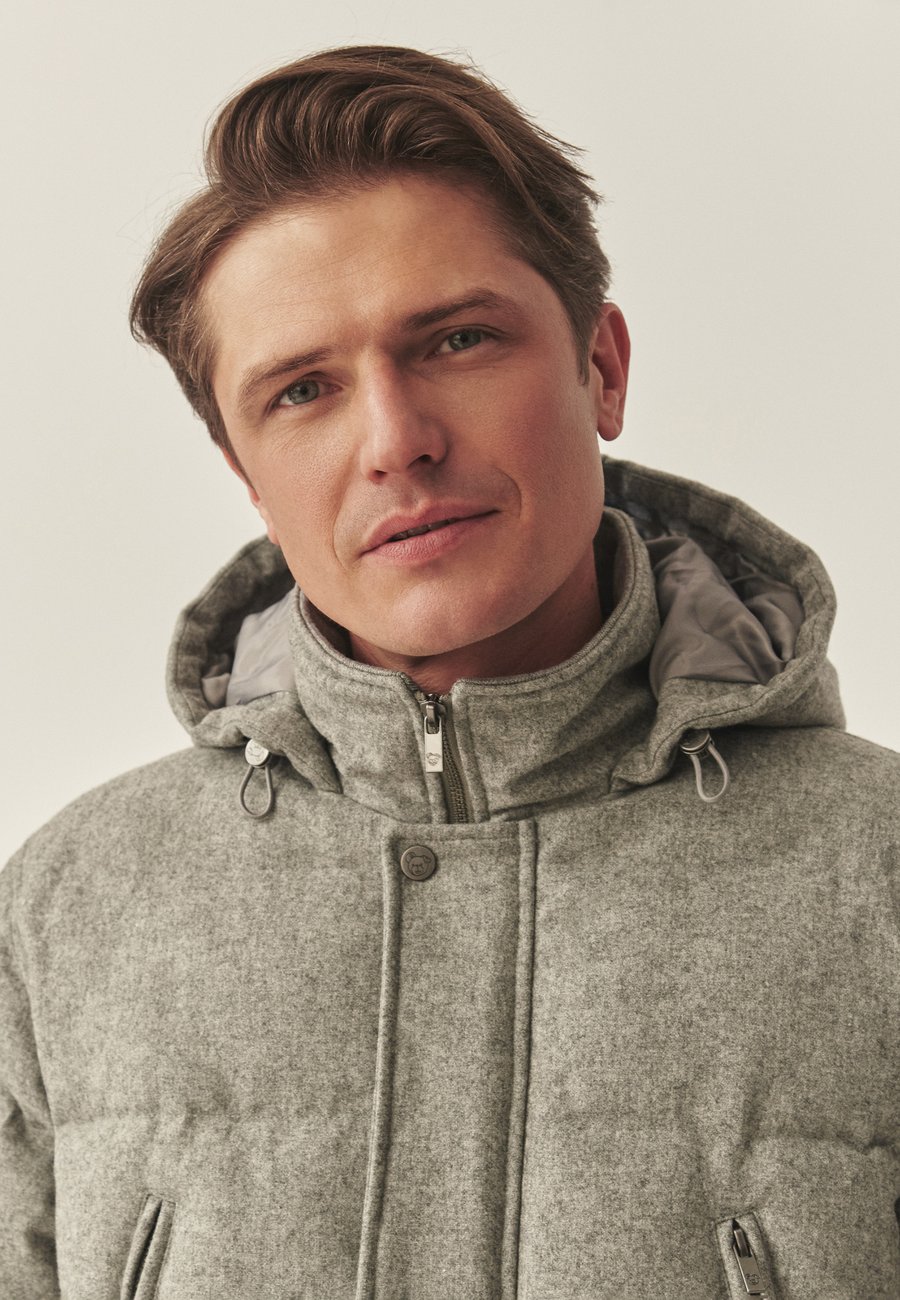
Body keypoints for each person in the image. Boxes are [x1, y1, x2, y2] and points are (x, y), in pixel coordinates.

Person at [1, 44, 897, 1300]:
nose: (397, 441)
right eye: (302, 390)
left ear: (602, 367)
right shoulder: (67, 912)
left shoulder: (877, 873)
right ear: (246, 473)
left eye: (459, 339)